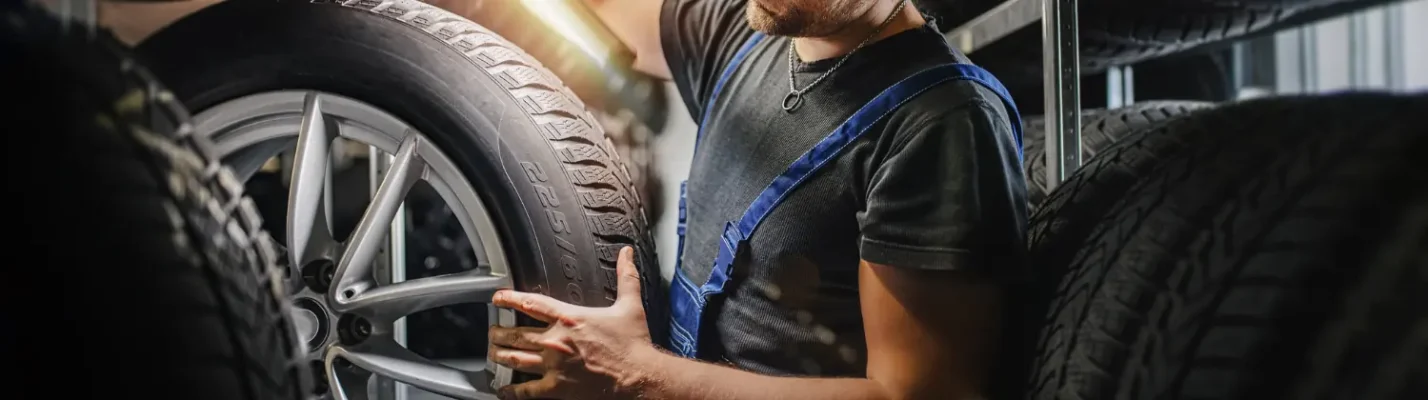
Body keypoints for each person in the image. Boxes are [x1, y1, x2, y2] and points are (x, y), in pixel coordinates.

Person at [487, 0, 1029, 399]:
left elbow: (916, 395)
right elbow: (601, 10)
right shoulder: (740, 28)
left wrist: (640, 375)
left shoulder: (944, 125)